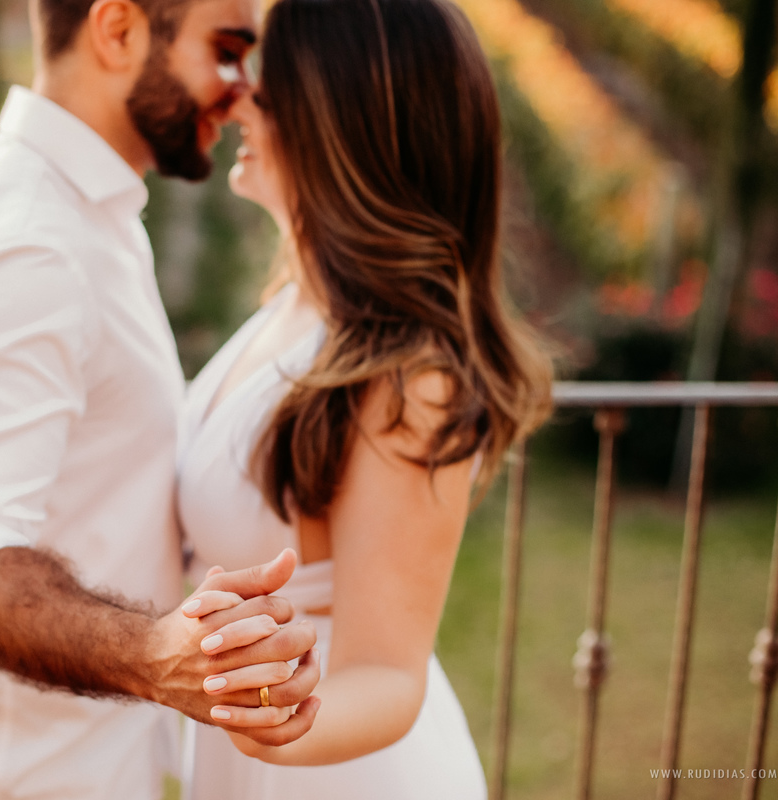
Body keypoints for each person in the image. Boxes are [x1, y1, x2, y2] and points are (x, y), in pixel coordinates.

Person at [0, 0, 323, 797]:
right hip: (0, 776)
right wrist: (154, 657)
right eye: (228, 49)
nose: (241, 91)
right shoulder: (23, 238)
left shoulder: (82, 209)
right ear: (118, 30)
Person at [174, 0, 555, 796]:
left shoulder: (410, 377)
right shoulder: (296, 305)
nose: (236, 99)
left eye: (267, 92)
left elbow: (387, 673)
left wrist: (262, 710)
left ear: (337, 125)